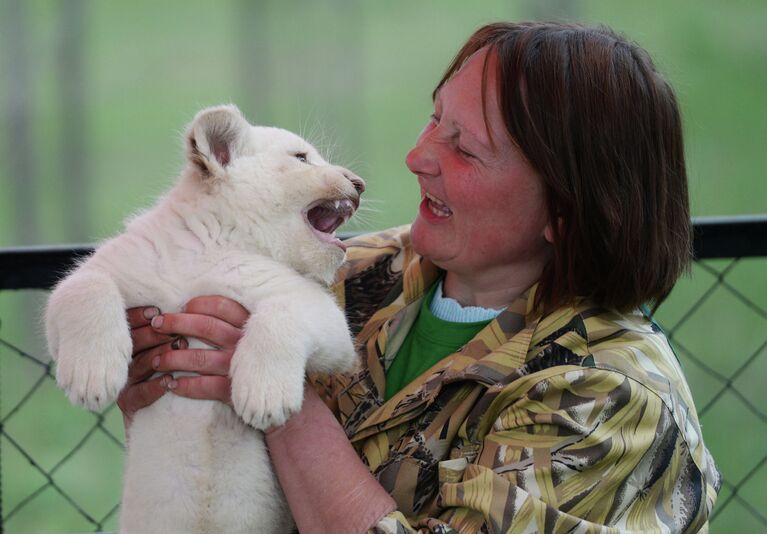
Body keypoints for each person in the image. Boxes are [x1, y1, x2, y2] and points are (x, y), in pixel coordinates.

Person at [118, 22, 721, 533]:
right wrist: (160, 379)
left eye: (464, 148)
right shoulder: (352, 273)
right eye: (436, 119)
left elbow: (266, 393)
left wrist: (277, 390)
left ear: (563, 214)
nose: (417, 156)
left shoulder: (606, 401)